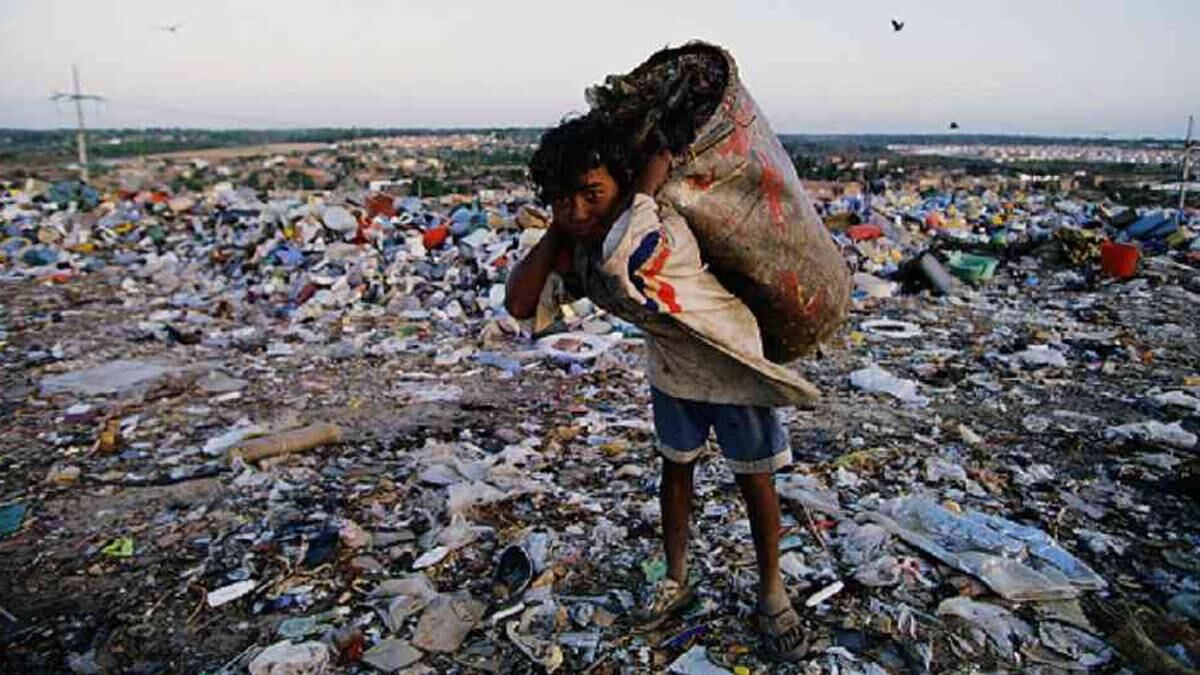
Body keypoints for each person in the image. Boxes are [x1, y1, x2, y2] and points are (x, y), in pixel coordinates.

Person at [505, 115, 812, 661]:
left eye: (591, 194)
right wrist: (557, 226)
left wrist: (646, 185)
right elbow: (520, 303)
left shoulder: (660, 222)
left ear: (621, 183)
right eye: (561, 198)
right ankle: (675, 576)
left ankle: (772, 590)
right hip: (671, 364)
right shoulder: (581, 235)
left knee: (755, 478)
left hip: (727, 355)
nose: (577, 210)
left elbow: (628, 260)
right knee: (676, 468)